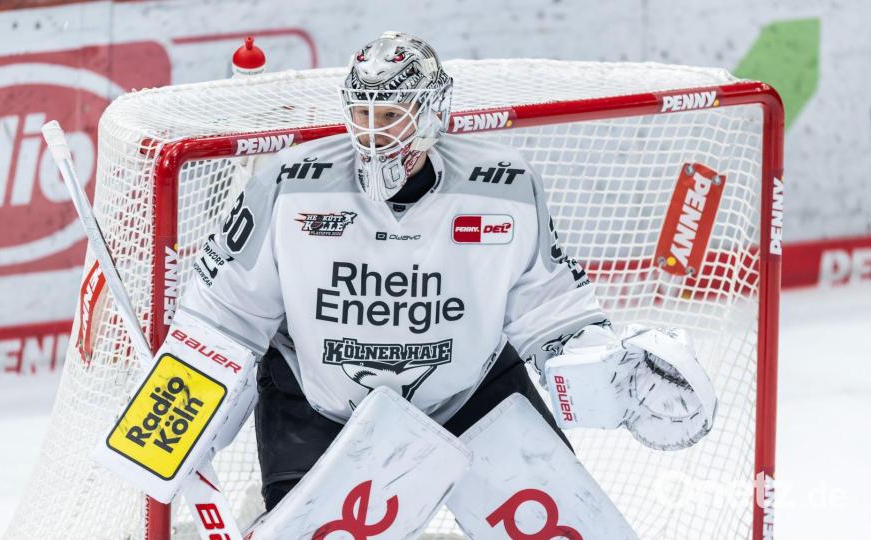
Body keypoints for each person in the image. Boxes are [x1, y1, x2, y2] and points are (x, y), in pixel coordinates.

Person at [175, 31, 716, 526]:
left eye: (390, 114)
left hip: (471, 395)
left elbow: (551, 310)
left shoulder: (503, 188)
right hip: (321, 409)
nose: (372, 132)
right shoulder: (291, 184)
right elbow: (225, 312)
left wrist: (613, 373)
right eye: (362, 113)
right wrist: (187, 404)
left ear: (431, 111)